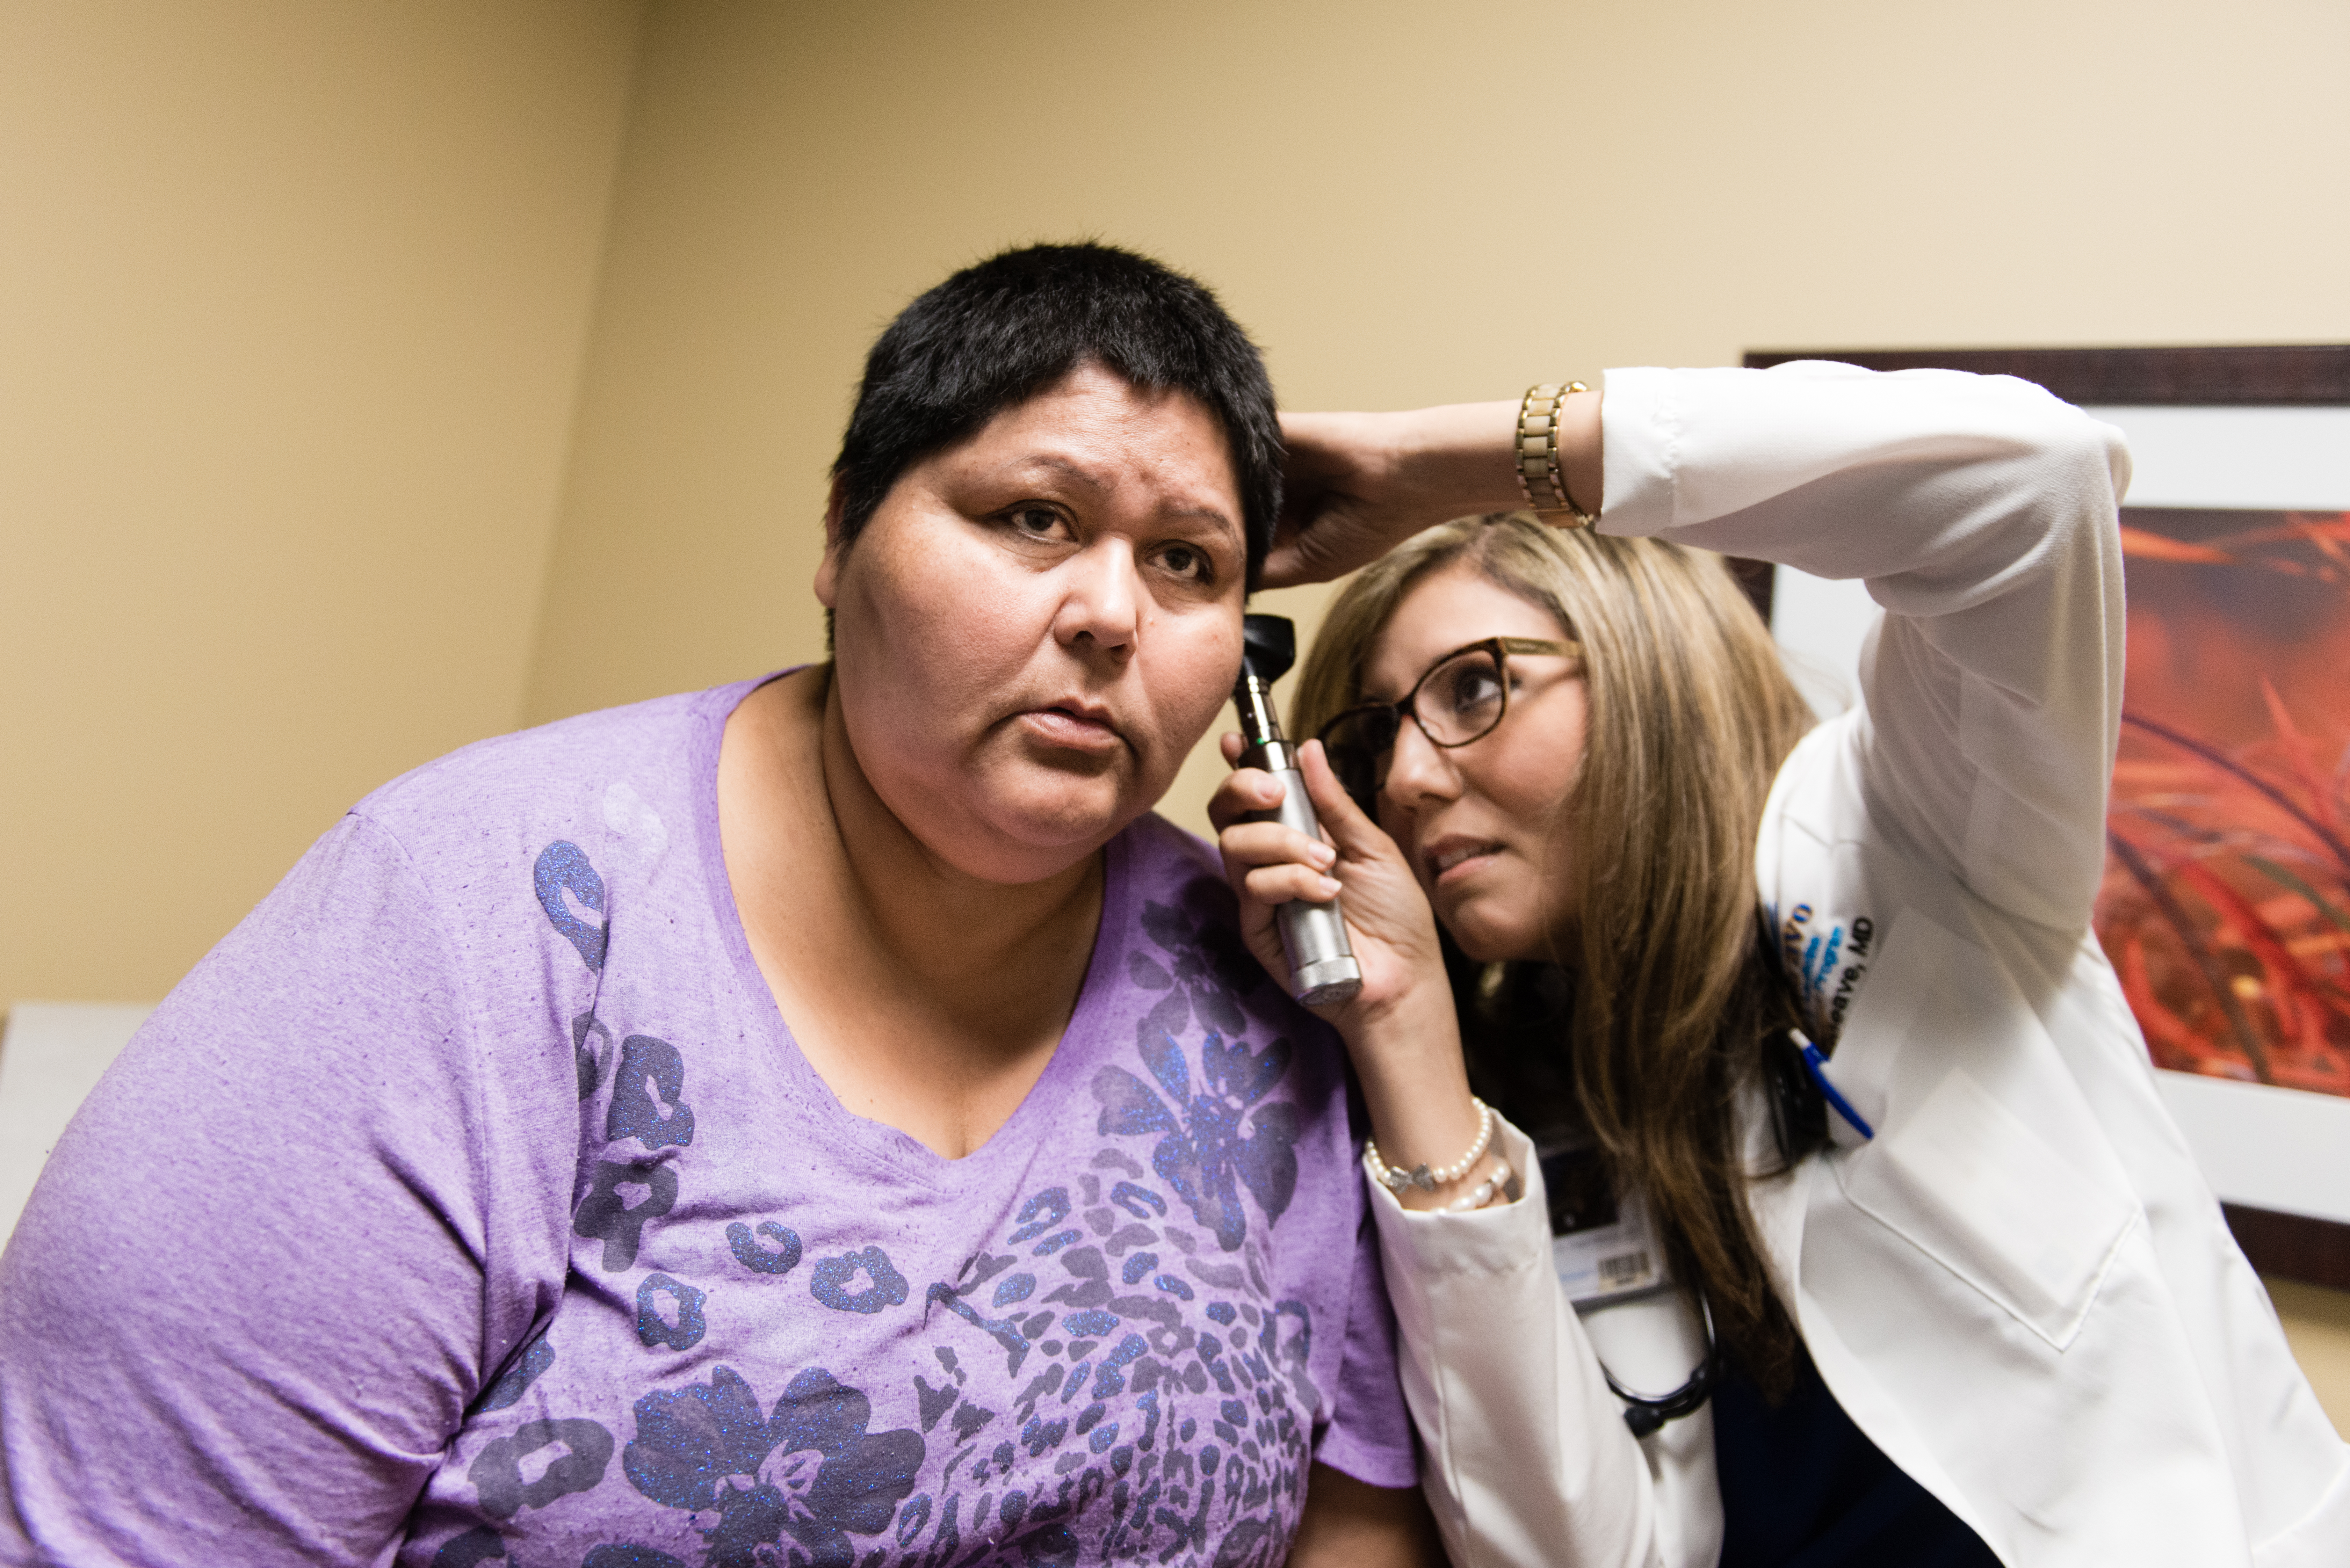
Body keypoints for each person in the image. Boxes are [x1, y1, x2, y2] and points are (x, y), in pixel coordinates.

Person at [0, 245, 1440, 1568]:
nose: (1109, 614)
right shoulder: (474, 908)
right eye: (1032, 518)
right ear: (840, 535)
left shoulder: (1253, 979)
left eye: (1185, 562)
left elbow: (1358, 1514)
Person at [1212, 366, 2350, 1567]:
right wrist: (1404, 1033)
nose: (1408, 781)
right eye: (1376, 736)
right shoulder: (1522, 1094)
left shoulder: (1901, 828)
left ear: (1641, 655)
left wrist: (1431, 469)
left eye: (1477, 686)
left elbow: (2031, 482)